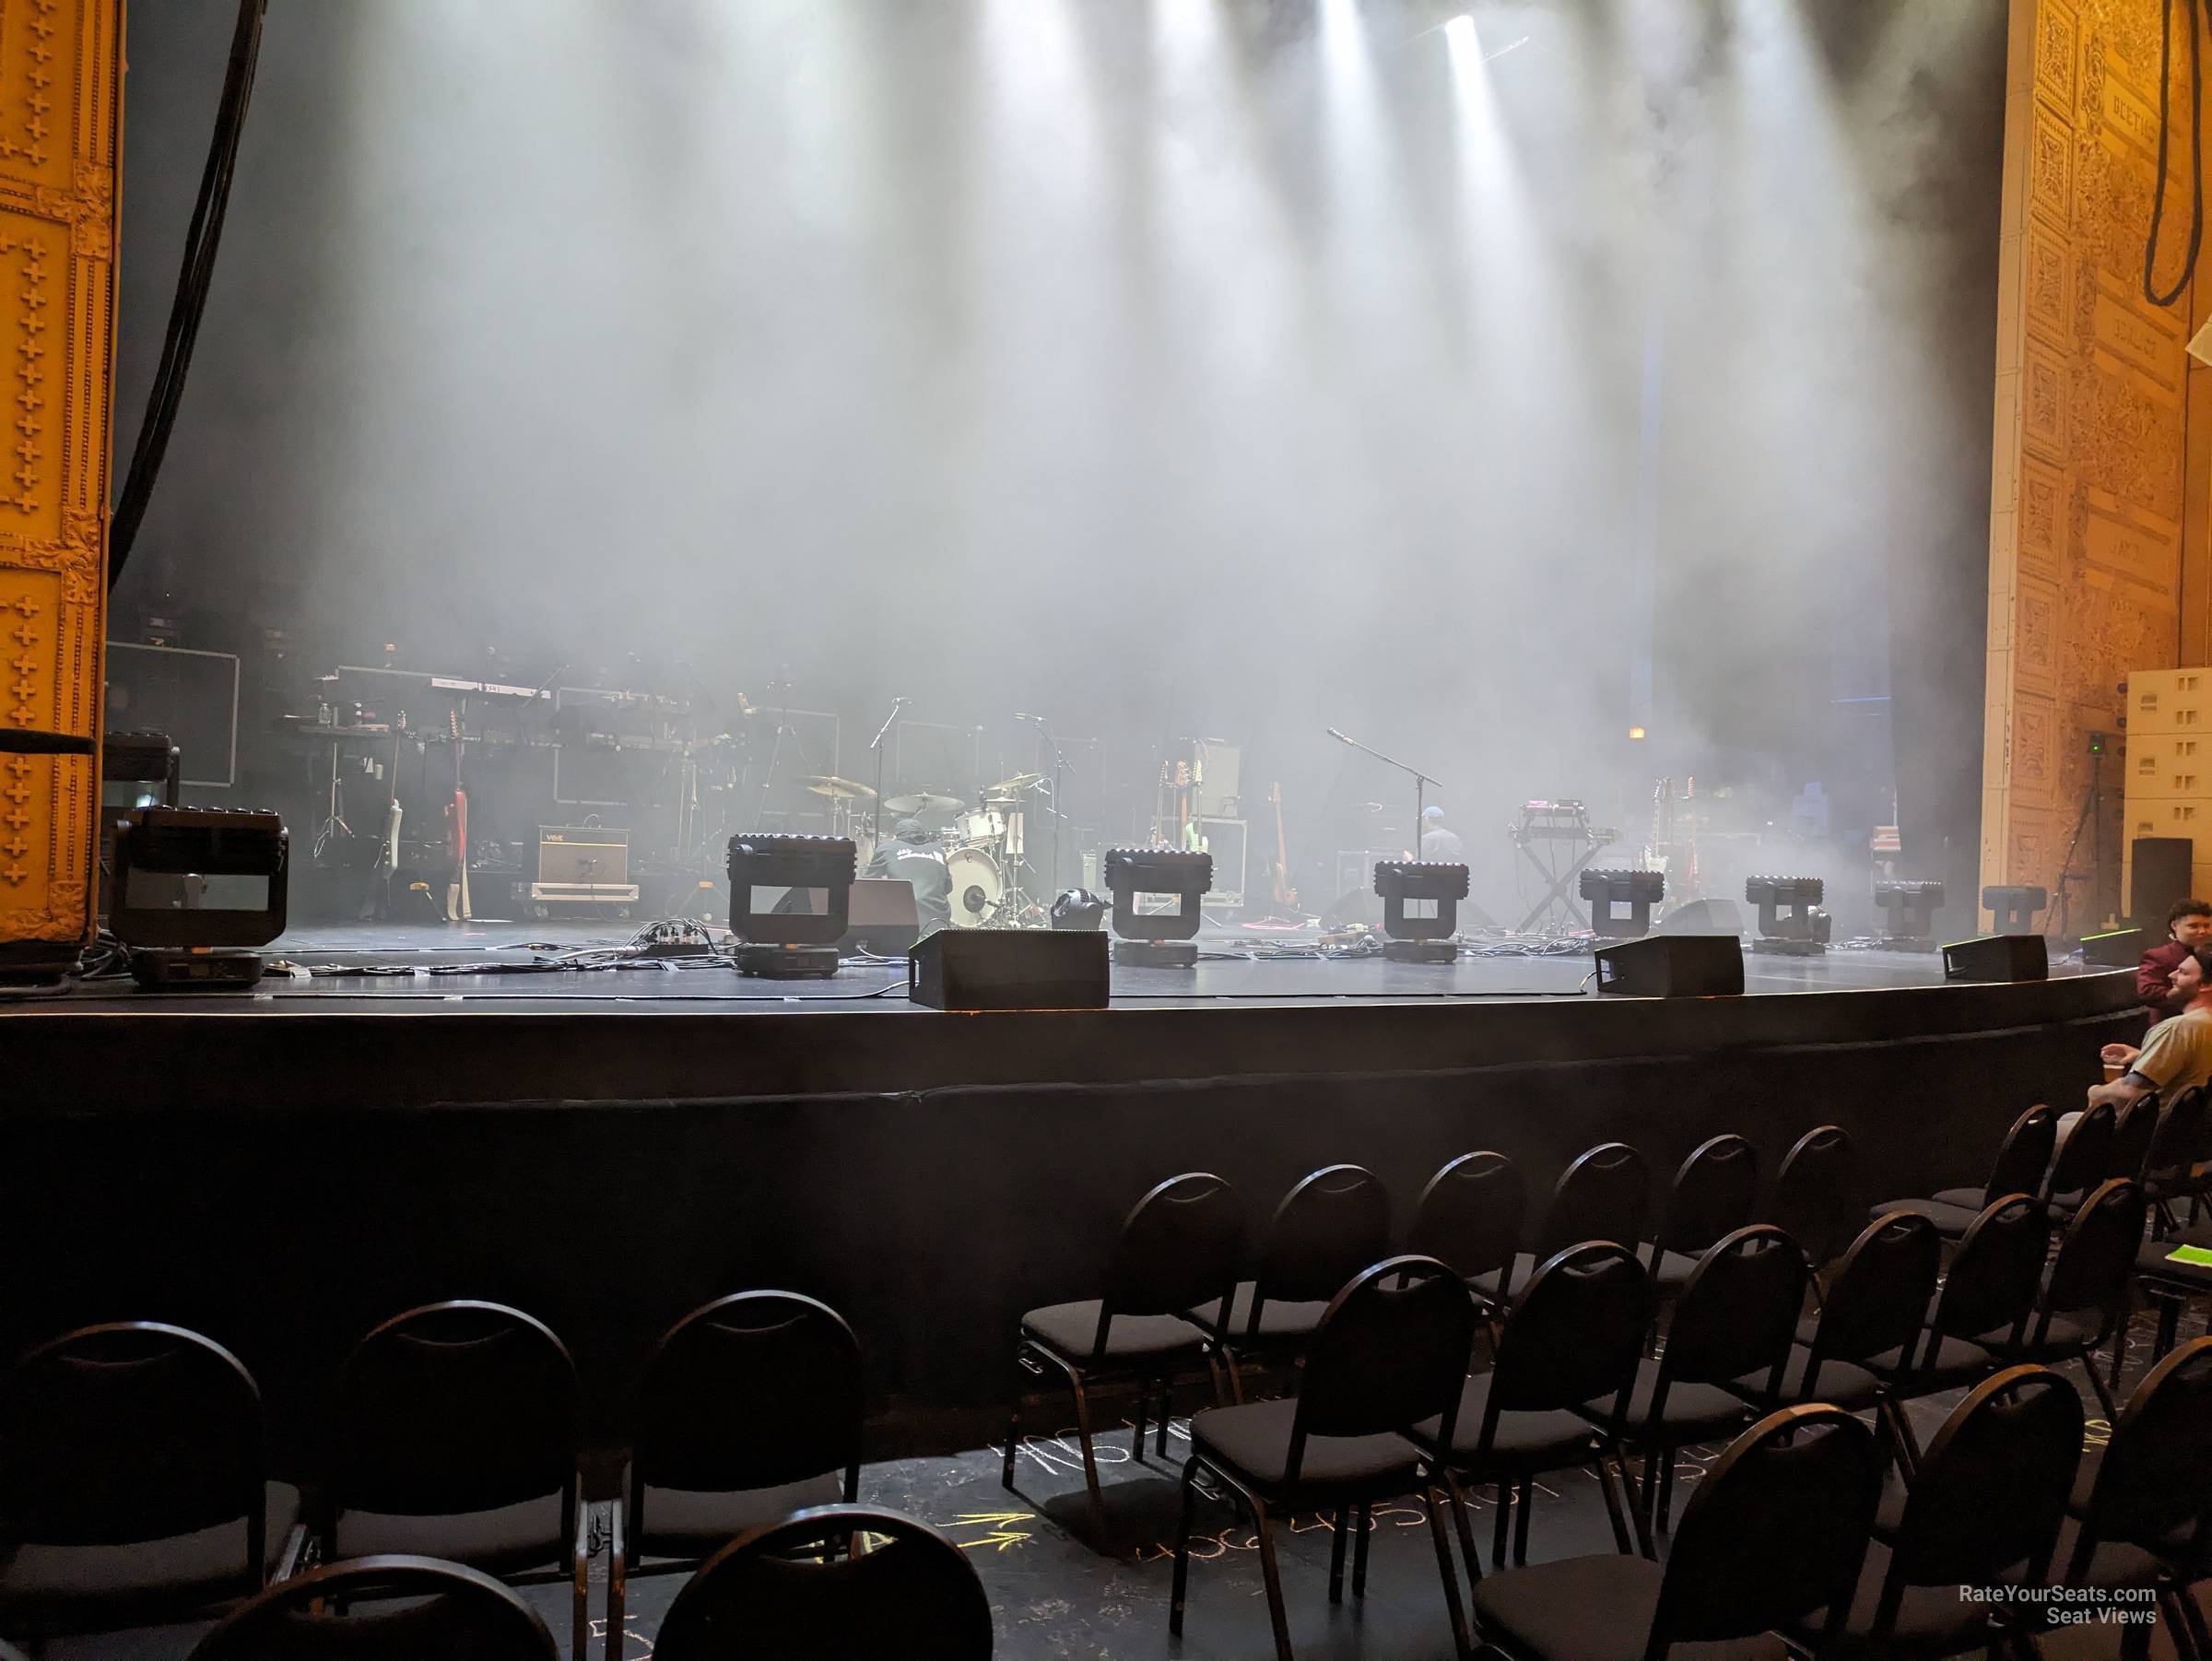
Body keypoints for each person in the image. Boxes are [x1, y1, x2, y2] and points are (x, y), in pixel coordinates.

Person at [2092, 943, 2212, 1112]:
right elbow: (2196, 1071)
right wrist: (2142, 1057)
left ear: (2206, 985)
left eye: (2183, 972)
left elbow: (2129, 1092)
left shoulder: (2177, 1029)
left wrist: (2095, 1092)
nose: (2172, 975)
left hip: (2153, 1133)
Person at [865, 818, 952, 936]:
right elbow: (948, 888)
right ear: (922, 834)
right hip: (939, 924)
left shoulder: (887, 848)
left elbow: (867, 886)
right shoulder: (938, 850)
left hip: (904, 924)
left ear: (897, 835)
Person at [2138, 898, 2212, 1021]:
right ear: (2174, 926)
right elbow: (2147, 992)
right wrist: (2184, 991)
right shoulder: (2158, 956)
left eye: (2207, 925)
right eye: (2193, 926)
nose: (2202, 931)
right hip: (2173, 1026)